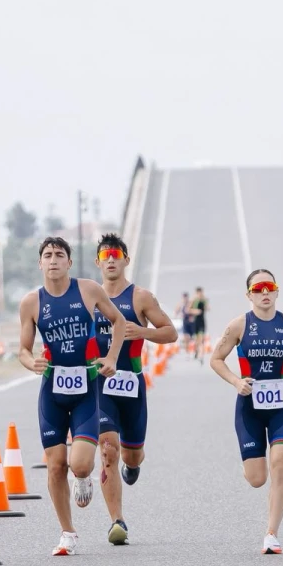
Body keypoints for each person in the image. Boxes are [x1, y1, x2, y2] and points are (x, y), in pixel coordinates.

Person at [17, 237, 125, 556]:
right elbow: (22, 349)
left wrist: (112, 358)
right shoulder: (31, 302)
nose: (53, 260)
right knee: (55, 465)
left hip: (85, 389)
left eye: (59, 255)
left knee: (78, 465)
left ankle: (83, 476)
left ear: (69, 262)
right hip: (51, 390)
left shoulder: (88, 289)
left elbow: (118, 321)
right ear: (40, 263)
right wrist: (30, 362)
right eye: (47, 255)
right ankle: (68, 532)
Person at [210, 269, 283, 554]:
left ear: (277, 291)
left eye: (269, 287)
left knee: (280, 464)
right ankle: (276, 488)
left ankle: (271, 534)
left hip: (281, 405)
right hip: (249, 407)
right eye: (258, 289)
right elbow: (216, 359)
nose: (265, 293)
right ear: (249, 295)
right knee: (258, 479)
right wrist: (236, 381)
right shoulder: (238, 326)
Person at [90, 234, 179, 545]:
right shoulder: (89, 297)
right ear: (98, 262)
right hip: (99, 384)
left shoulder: (139, 297)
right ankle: (117, 521)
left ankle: (133, 464)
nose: (111, 259)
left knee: (131, 454)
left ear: (126, 260)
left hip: (131, 385)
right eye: (105, 255)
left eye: (116, 254)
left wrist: (142, 331)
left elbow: (171, 333)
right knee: (108, 450)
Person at [188, 287, 209, 359]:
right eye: (199, 293)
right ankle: (196, 350)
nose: (200, 294)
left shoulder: (204, 300)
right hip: (196, 321)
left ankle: (201, 353)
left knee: (201, 338)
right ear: (196, 293)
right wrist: (195, 311)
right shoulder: (194, 300)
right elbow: (188, 310)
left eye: (201, 292)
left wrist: (205, 302)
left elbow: (208, 308)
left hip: (202, 321)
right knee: (197, 339)